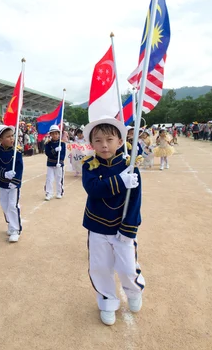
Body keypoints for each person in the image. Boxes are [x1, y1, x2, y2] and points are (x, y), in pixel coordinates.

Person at [81, 116, 143, 326]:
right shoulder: (89, 165)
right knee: (100, 267)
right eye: (97, 140)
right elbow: (93, 189)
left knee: (127, 267)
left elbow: (135, 200)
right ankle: (107, 300)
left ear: (120, 141)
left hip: (122, 227)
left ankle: (134, 291)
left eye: (109, 139)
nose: (104, 145)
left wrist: (129, 229)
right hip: (97, 226)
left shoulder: (130, 165)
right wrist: (120, 181)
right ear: (91, 143)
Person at [0, 125, 23, 243]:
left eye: (12, 136)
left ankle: (16, 229)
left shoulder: (16, 152)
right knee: (5, 205)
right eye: (8, 137)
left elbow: (19, 168)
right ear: (0, 139)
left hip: (13, 185)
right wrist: (4, 173)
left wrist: (15, 181)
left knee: (13, 205)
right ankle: (10, 223)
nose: (11, 138)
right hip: (2, 182)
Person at [44, 125, 66, 201]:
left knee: (59, 179)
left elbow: (63, 154)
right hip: (50, 164)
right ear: (50, 134)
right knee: (49, 179)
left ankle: (59, 192)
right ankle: (48, 193)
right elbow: (48, 153)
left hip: (59, 164)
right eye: (53, 134)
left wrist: (60, 161)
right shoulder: (48, 144)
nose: (54, 135)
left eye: (56, 134)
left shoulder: (62, 144)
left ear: (59, 134)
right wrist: (55, 150)